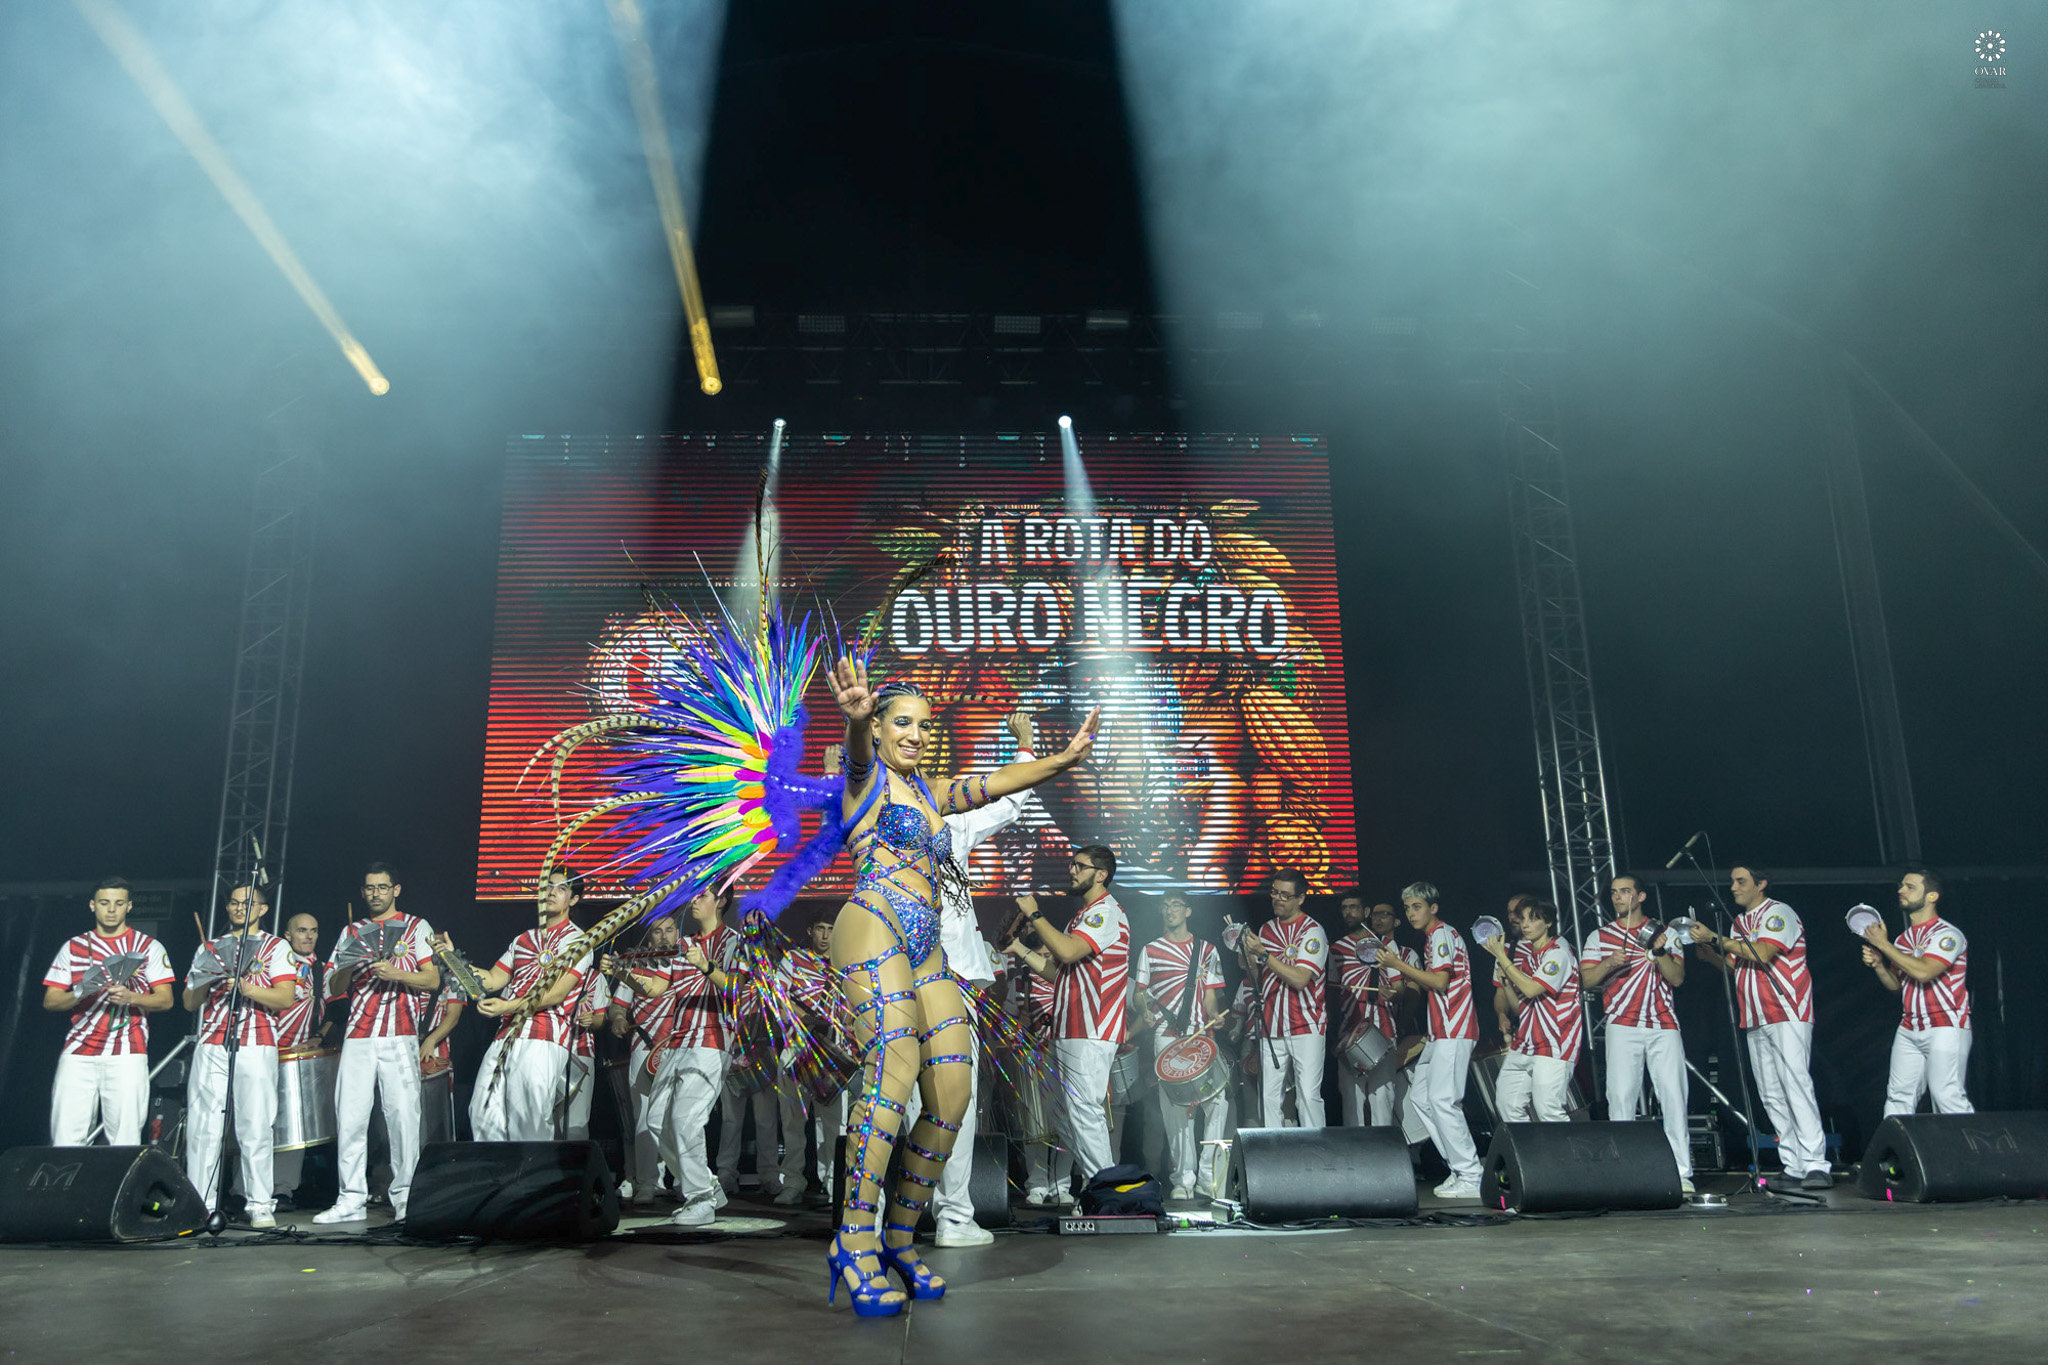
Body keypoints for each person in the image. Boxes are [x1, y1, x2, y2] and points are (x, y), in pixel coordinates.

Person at [821, 655, 1098, 1317]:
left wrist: (1062, 760)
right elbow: (856, 755)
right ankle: (853, 1240)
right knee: (892, 1076)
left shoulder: (932, 793)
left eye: (924, 725)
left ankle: (899, 1237)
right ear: (880, 729)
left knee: (951, 1094)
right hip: (874, 925)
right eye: (902, 723)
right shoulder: (865, 779)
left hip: (928, 946)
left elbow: (999, 782)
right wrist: (855, 722)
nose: (916, 734)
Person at [928, 709, 1043, 1248]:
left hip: (924, 976)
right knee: (944, 1099)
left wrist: (1026, 748)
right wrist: (1026, 742)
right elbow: (1010, 801)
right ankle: (945, 1216)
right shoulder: (928, 825)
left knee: (924, 1100)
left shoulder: (951, 824)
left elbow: (1009, 801)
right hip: (933, 976)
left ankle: (916, 1217)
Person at [611, 883, 745, 1228]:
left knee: (686, 1120)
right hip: (677, 1041)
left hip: (711, 1040)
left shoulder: (734, 942)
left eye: (703, 896)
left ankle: (700, 1197)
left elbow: (737, 990)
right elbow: (656, 987)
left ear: (721, 901)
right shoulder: (683, 944)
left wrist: (706, 966)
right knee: (656, 1120)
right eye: (694, 895)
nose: (694, 901)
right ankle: (707, 1185)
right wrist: (622, 972)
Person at [1689, 865, 1830, 1191]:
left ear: (1761, 883)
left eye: (1741, 881)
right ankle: (1793, 1163)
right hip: (1754, 1016)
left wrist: (1715, 938)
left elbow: (1763, 953)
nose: (1733, 887)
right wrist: (1710, 954)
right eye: (1732, 881)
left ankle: (1816, 1163)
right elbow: (1736, 965)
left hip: (1787, 1011)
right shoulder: (1739, 922)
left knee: (1795, 1085)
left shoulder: (1778, 912)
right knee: (1771, 1093)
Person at [316, 863, 439, 1224]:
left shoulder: (416, 926)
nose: (376, 894)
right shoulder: (351, 931)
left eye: (382, 887)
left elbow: (432, 980)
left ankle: (405, 1197)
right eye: (370, 888)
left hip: (401, 1032)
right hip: (359, 1033)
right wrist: (347, 964)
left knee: (402, 1117)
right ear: (363, 891)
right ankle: (350, 1199)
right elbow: (334, 988)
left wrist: (396, 973)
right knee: (350, 1117)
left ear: (396, 890)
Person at [1010, 845, 1129, 1189]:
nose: (1072, 870)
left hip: (1091, 1027)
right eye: (1071, 864)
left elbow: (1066, 950)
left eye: (1080, 866)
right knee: (1067, 1118)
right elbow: (1057, 973)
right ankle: (1101, 1187)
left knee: (1084, 1111)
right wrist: (1018, 948)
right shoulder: (1082, 916)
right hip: (1069, 1027)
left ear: (1101, 874)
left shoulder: (1105, 912)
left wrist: (1034, 914)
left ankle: (1106, 1191)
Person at [441, 868, 588, 1142]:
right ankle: (497, 1171)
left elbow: (555, 994)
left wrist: (506, 1007)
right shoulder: (523, 939)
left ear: (574, 899)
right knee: (483, 1115)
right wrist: (452, 959)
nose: (552, 892)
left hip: (543, 1037)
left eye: (562, 888)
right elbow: (491, 980)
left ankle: (534, 1172)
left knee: (528, 1122)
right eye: (548, 886)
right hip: (506, 1035)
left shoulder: (578, 940)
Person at [182, 883, 296, 1227]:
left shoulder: (275, 946)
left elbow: (285, 997)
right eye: (233, 902)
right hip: (213, 1042)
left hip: (257, 1042)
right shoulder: (210, 947)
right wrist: (206, 975)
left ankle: (260, 1203)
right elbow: (189, 1002)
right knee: (203, 1126)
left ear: (262, 909)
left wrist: (247, 988)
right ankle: (201, 1204)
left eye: (247, 903)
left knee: (255, 1124)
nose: (238, 908)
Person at [42, 876, 175, 1146]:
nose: (111, 910)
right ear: (92, 905)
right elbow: (51, 1001)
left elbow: (166, 1000)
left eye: (118, 903)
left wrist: (131, 997)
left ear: (129, 906)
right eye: (104, 903)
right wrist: (82, 991)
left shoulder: (147, 947)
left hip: (127, 1053)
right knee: (66, 1139)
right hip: (78, 1053)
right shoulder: (74, 947)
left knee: (125, 1140)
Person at [1581, 873, 1693, 1191]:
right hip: (1621, 1024)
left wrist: (1660, 952)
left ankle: (1681, 1173)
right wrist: (1608, 964)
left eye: (1625, 891)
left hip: (1663, 1025)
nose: (1618, 897)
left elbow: (1677, 978)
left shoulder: (1665, 933)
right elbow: (1584, 981)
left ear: (1641, 896)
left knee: (1673, 1097)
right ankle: (1623, 1174)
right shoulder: (1599, 936)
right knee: (1620, 1098)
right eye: (1614, 892)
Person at [1378, 882, 1482, 1199]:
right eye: (1407, 908)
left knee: (1442, 1100)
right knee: (1422, 1097)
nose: (1411, 913)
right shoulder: (1434, 937)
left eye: (1417, 907)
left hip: (1454, 1028)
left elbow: (1439, 981)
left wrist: (1398, 965)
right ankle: (1459, 1168)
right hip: (1438, 1033)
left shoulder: (1440, 934)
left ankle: (1471, 1173)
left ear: (1433, 908)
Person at [1133, 893, 1226, 1199]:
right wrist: (1144, 1010)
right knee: (1176, 1110)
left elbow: (1210, 993)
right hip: (1167, 1037)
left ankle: (1209, 1179)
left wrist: (1214, 1015)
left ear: (1188, 911)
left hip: (1202, 1036)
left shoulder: (1207, 950)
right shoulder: (1150, 950)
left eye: (1175, 905)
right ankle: (1183, 1180)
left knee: (1216, 1103)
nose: (1169, 910)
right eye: (1165, 905)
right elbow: (1139, 992)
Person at [1863, 866, 1973, 1117]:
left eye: (1910, 887)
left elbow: (1925, 972)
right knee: (1898, 1096)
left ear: (1932, 896)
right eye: (1901, 886)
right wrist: (1880, 965)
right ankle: (1895, 1145)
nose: (1901, 890)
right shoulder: (1903, 940)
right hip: (1910, 1026)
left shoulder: (1947, 935)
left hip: (1945, 1024)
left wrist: (1883, 945)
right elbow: (1897, 986)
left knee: (1946, 1094)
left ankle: (1967, 1144)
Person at [1480, 897, 1581, 1124]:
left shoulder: (1558, 953)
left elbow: (1532, 989)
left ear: (1548, 923)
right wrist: (1506, 983)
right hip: (1525, 1042)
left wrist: (1502, 957)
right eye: (1523, 919)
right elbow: (1520, 1008)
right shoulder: (1528, 960)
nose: (1525, 924)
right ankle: (1530, 1148)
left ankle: (1564, 1149)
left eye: (1533, 919)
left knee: (1548, 1110)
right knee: (1507, 1103)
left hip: (1554, 1043)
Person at [1241, 868, 1329, 1130]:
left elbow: (1300, 979)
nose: (1277, 899)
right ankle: (1273, 1152)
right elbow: (1259, 978)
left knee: (1308, 1096)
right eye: (1274, 893)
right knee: (1268, 1097)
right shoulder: (1266, 929)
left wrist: (1264, 955)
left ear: (1300, 898)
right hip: (1271, 1025)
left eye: (1285, 895)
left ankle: (1318, 1151)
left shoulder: (1312, 931)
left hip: (1306, 1024)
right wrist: (1247, 959)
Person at [606, 913, 681, 1206]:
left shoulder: (687, 965)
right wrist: (618, 1019)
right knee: (644, 1119)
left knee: (680, 1118)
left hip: (679, 1049)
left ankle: (686, 1182)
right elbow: (618, 1007)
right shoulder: (634, 968)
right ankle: (648, 1183)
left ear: (678, 934)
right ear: (649, 939)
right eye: (657, 932)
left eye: (669, 930)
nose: (664, 937)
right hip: (644, 1048)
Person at [774, 914, 844, 1208]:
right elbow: (777, 998)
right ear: (810, 930)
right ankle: (792, 1182)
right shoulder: (793, 959)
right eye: (820, 928)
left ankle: (834, 1185)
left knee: (834, 1125)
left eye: (831, 929)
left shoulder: (844, 962)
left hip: (833, 1052)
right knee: (792, 1122)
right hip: (796, 1048)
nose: (825, 936)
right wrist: (805, 1018)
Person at [1331, 900, 1415, 1127]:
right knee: (1352, 1100)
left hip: (1383, 1029)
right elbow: (1332, 994)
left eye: (1354, 907)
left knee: (1382, 1098)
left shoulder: (1387, 945)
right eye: (1344, 908)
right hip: (1349, 1033)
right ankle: (1354, 1148)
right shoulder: (1336, 949)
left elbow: (1399, 988)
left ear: (1365, 911)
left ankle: (1385, 1148)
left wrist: (1393, 995)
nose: (1348, 912)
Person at [272, 911, 324, 1209]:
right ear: (287, 935)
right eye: (302, 930)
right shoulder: (272, 962)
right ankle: (242, 1190)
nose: (308, 936)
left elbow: (336, 1009)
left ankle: (283, 1190)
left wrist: (319, 1036)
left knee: (294, 1126)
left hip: (299, 1056)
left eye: (313, 930)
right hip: (266, 1050)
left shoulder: (322, 969)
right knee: (258, 1123)